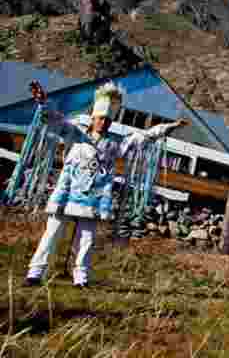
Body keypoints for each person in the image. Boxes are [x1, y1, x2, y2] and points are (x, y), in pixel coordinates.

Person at [23, 80, 188, 289]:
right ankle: (35, 273)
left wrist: (168, 127)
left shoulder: (113, 144)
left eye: (108, 120)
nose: (104, 123)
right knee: (52, 233)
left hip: (93, 197)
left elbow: (143, 137)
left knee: (86, 239)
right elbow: (54, 120)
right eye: (101, 118)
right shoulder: (76, 133)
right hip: (67, 191)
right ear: (93, 118)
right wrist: (43, 102)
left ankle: (81, 279)